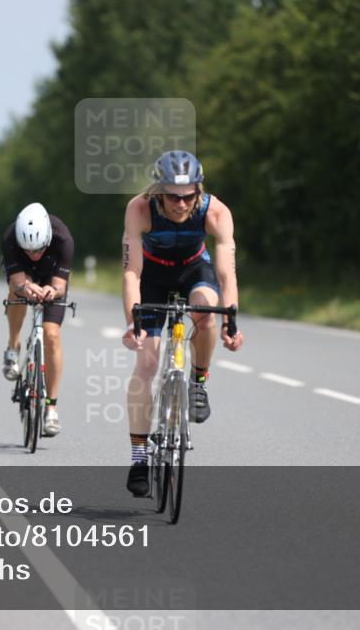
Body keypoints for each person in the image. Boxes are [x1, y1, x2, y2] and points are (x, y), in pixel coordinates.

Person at [121, 150, 244, 496]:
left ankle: (198, 383)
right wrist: (133, 322)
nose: (181, 204)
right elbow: (131, 272)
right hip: (153, 274)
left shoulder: (216, 212)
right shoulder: (139, 208)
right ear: (158, 192)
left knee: (207, 311)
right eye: (173, 197)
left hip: (194, 268)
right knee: (146, 363)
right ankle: (139, 457)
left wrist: (229, 322)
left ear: (198, 191)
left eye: (189, 196)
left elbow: (226, 274)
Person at [0, 203, 74, 437]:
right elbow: (16, 281)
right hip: (25, 277)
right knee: (15, 296)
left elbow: (60, 286)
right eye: (29, 250)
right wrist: (26, 286)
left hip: (51, 277)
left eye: (39, 249)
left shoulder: (63, 239)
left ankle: (51, 408)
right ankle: (13, 346)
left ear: (48, 239)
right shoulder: (10, 238)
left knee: (52, 334)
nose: (34, 254)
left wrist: (52, 291)